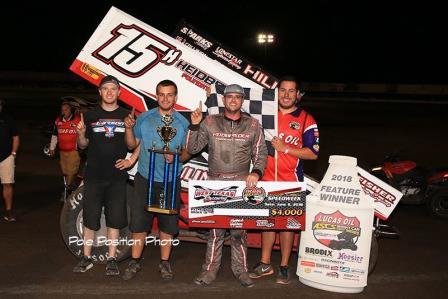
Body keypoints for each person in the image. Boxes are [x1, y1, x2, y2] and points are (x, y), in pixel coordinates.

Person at [187, 84, 268, 288]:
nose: (233, 100)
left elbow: (261, 154)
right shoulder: (210, 122)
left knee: (239, 232)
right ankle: (208, 271)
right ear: (223, 100)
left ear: (242, 101)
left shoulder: (253, 125)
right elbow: (193, 148)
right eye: (229, 97)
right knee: (215, 232)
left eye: (237, 97)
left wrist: (256, 172)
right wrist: (194, 126)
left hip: (241, 184)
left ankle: (241, 271)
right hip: (215, 184)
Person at [249, 76, 319, 284]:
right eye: (283, 90)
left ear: (298, 95)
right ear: (276, 92)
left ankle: (284, 266)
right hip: (266, 180)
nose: (286, 95)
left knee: (287, 226)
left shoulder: (306, 119)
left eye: (291, 91)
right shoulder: (265, 115)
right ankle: (265, 263)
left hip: (291, 181)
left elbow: (313, 153)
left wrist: (286, 149)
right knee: (268, 224)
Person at [122, 80, 190, 281]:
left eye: (170, 95)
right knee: (139, 224)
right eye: (161, 94)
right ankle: (134, 261)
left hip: (170, 181)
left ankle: (165, 263)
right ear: (156, 95)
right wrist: (127, 128)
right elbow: (132, 144)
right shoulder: (144, 118)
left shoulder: (183, 123)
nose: (165, 98)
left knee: (167, 226)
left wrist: (176, 156)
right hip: (145, 178)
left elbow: (189, 150)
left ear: (175, 97)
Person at [73, 75, 137, 275]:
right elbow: (83, 146)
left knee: (114, 219)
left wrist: (128, 128)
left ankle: (112, 258)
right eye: (105, 89)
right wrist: (81, 133)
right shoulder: (90, 116)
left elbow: (130, 145)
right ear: (100, 92)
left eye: (113, 89)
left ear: (119, 92)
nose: (109, 92)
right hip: (93, 175)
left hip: (117, 176)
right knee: (90, 217)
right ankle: (86, 257)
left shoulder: (127, 115)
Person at [49, 102, 81, 198]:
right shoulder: (58, 121)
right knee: (66, 172)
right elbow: (55, 134)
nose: (64, 112)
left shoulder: (77, 120)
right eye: (62, 110)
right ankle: (72, 186)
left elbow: (83, 134)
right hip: (62, 151)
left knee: (71, 172)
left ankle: (66, 192)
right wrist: (52, 147)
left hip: (74, 151)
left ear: (70, 110)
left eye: (66, 109)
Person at [0, 99, 20, 222]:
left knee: (7, 184)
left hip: (6, 157)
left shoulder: (8, 119)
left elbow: (16, 137)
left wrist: (13, 154)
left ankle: (8, 211)